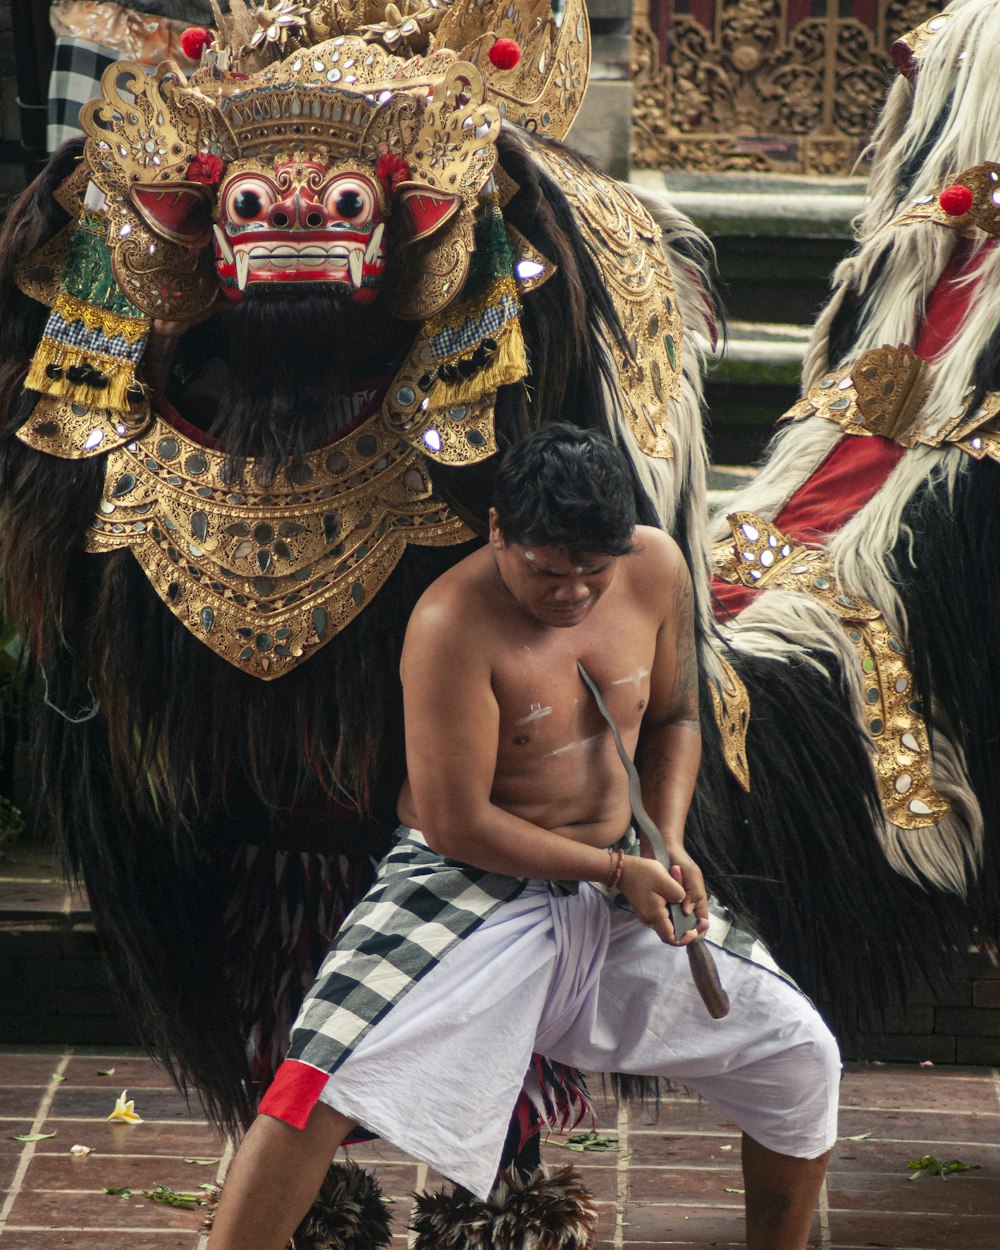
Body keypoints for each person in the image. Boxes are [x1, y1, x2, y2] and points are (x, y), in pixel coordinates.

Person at [206, 424, 840, 1250]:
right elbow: (456, 820)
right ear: (500, 530)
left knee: (800, 1053)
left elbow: (679, 716)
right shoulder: (449, 623)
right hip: (465, 881)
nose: (573, 594)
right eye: (548, 572)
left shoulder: (657, 568)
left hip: (622, 880)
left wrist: (667, 842)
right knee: (315, 1080)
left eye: (593, 573)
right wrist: (617, 870)